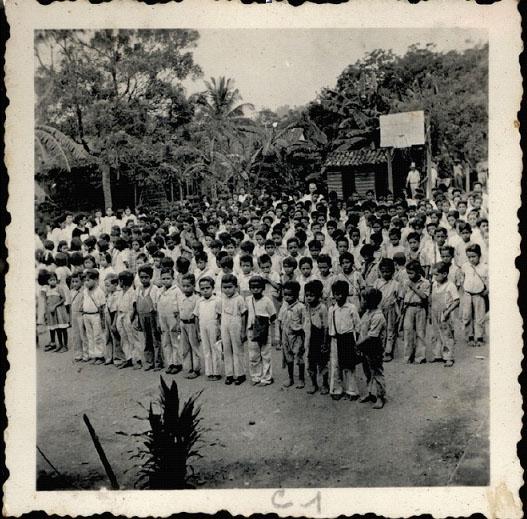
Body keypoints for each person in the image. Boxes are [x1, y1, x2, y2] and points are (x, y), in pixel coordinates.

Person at [327, 280, 361, 401]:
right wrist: (329, 340)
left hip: (348, 339)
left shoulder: (351, 308)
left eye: (342, 294)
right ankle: (336, 389)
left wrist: (357, 342)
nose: (339, 296)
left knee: (349, 365)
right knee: (335, 365)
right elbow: (330, 326)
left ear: (347, 294)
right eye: (336, 294)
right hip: (336, 340)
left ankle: (351, 390)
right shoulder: (332, 309)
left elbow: (358, 326)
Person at [356, 288, 387, 409]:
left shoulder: (378, 316)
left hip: (374, 348)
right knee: (367, 371)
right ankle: (370, 392)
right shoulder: (367, 313)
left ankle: (380, 396)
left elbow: (371, 336)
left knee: (377, 372)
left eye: (363, 300)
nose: (362, 302)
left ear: (371, 301)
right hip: (365, 347)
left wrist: (358, 344)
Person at [218, 274, 248, 386]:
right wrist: (219, 328)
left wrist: (243, 331)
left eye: (230, 287)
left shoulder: (239, 299)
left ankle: (240, 374)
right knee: (226, 349)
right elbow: (220, 314)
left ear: (235, 287)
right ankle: (229, 374)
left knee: (237, 349)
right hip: (225, 324)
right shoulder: (222, 298)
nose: (227, 290)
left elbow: (244, 314)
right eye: (224, 287)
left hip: (236, 324)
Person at [246, 276, 276, 386]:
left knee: (265, 354)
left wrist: (272, 333)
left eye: (258, 287)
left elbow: (273, 316)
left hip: (264, 330)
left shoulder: (267, 301)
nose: (255, 289)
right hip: (251, 329)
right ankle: (255, 376)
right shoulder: (248, 300)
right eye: (253, 287)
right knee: (253, 354)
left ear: (263, 288)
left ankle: (266, 378)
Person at [278, 280, 307, 388]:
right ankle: (290, 378)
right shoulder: (284, 306)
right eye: (285, 295)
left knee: (299, 356)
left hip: (297, 336)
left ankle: (301, 378)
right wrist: (280, 338)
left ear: (296, 294)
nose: (287, 297)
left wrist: (303, 336)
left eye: (290, 295)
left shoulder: (301, 307)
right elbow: (280, 321)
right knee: (288, 356)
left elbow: (305, 323)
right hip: (286, 335)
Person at [400, 260, 430, 364]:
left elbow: (424, 296)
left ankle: (419, 357)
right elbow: (402, 296)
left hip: (420, 308)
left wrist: (413, 287)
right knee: (408, 332)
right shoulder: (405, 281)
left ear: (418, 272)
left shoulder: (425, 282)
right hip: (408, 308)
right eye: (408, 273)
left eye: (411, 273)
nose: (409, 275)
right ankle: (408, 356)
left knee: (420, 333)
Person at [430, 261, 459, 366]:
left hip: (445, 314)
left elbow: (456, 301)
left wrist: (447, 312)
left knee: (446, 335)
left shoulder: (450, 286)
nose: (434, 277)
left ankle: (448, 357)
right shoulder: (434, 285)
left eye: (436, 275)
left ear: (445, 274)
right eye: (433, 275)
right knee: (436, 334)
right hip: (434, 312)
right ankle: (437, 355)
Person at [133, 264, 162, 371]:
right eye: (142, 277)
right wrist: (137, 319)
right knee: (146, 340)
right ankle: (149, 361)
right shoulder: (138, 289)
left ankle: (158, 362)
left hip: (152, 317)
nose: (144, 280)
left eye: (146, 277)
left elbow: (157, 306)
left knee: (155, 340)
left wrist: (158, 321)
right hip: (142, 316)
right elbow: (136, 304)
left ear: (150, 277)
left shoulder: (154, 289)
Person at [304, 280, 329, 395]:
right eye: (307, 295)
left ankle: (324, 384)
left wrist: (324, 342)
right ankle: (314, 384)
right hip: (309, 339)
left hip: (319, 338)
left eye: (312, 295)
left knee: (322, 362)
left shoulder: (322, 308)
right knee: (310, 362)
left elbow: (325, 327)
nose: (309, 298)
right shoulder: (306, 307)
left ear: (318, 295)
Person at [195, 277, 222, 381]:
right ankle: (209, 372)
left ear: (213, 288)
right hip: (203, 326)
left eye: (208, 288)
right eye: (202, 289)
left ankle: (217, 372)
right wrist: (198, 331)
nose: (205, 290)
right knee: (206, 349)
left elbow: (220, 316)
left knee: (215, 349)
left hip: (213, 325)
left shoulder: (217, 300)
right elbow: (196, 316)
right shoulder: (199, 301)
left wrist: (219, 329)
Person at [461, 244, 488, 347]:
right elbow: (463, 278)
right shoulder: (465, 266)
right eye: (469, 257)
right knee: (467, 315)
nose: (471, 259)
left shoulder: (484, 267)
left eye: (474, 256)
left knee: (479, 316)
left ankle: (479, 337)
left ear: (479, 255)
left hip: (479, 295)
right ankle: (470, 336)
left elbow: (488, 281)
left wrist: (487, 291)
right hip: (467, 294)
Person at [374, 258, 400, 362]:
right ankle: (379, 350)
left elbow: (398, 299)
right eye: (383, 271)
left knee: (390, 330)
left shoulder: (395, 284)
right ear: (380, 271)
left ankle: (388, 351)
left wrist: (398, 313)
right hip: (379, 309)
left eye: (388, 271)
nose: (385, 274)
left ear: (393, 272)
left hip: (391, 309)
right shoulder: (377, 282)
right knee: (380, 330)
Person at [157, 267, 183, 375]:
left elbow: (180, 307)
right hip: (163, 318)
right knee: (166, 342)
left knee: (175, 341)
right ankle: (170, 363)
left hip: (173, 319)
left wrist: (178, 322)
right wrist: (159, 321)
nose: (165, 281)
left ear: (173, 278)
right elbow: (158, 307)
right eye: (163, 278)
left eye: (168, 278)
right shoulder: (160, 291)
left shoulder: (176, 291)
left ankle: (177, 363)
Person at [178, 273, 201, 378]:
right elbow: (180, 311)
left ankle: (196, 369)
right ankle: (188, 367)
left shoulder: (196, 299)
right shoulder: (181, 298)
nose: (186, 288)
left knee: (194, 346)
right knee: (185, 347)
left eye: (188, 286)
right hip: (183, 323)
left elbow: (196, 315)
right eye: (184, 286)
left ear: (193, 286)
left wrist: (198, 330)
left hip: (192, 324)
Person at [82, 269, 106, 364]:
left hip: (96, 315)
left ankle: (100, 355)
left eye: (88, 280)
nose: (86, 283)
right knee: (89, 336)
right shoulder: (85, 291)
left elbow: (102, 307)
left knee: (97, 336)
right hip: (86, 315)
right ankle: (92, 355)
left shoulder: (99, 292)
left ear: (95, 280)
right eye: (85, 281)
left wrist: (103, 319)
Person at [43, 271, 70, 353]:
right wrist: (46, 311)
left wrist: (55, 306)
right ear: (48, 281)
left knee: (63, 328)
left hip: (59, 311)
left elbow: (63, 299)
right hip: (52, 312)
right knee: (56, 328)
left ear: (56, 280)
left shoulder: (59, 288)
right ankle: (60, 345)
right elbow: (46, 300)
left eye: (54, 280)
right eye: (51, 280)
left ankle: (65, 346)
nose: (53, 281)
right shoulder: (47, 289)